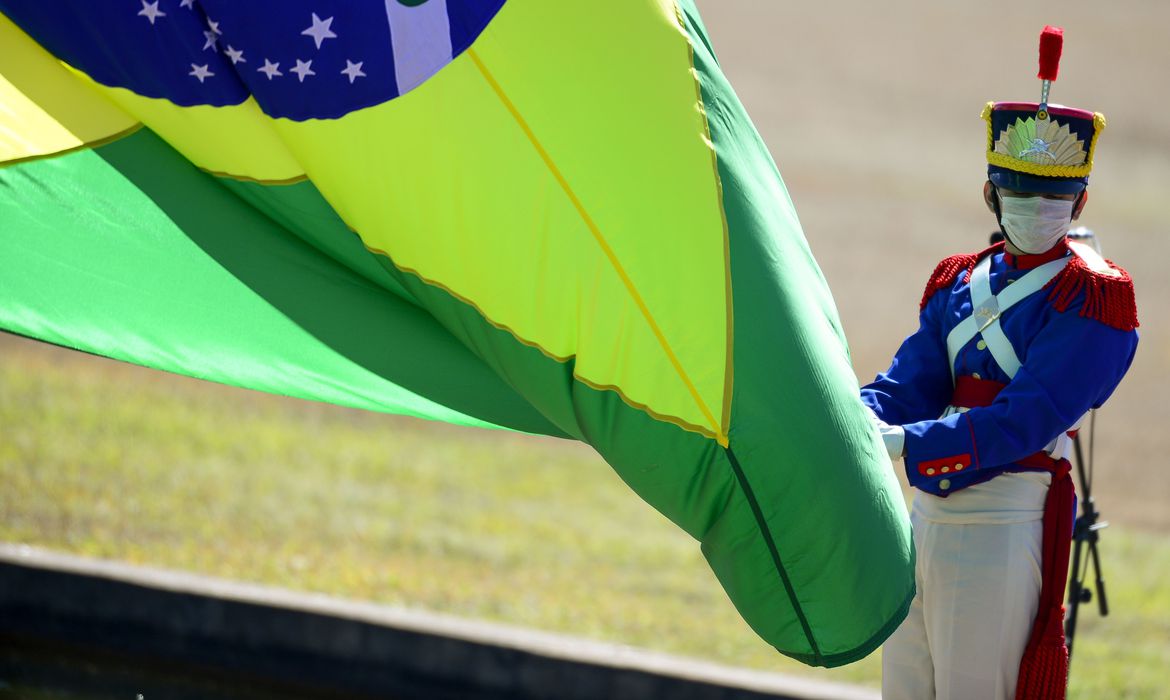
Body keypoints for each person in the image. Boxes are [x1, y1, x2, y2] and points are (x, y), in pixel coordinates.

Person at [861, 39, 1140, 700]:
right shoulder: (958, 280)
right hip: (925, 509)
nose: (1037, 208)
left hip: (1005, 516)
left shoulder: (1096, 297)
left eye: (1056, 197)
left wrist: (905, 443)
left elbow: (1028, 417)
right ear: (991, 192)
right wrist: (856, 414)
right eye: (1020, 191)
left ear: (1080, 203)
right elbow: (911, 383)